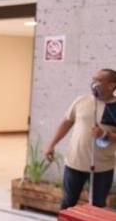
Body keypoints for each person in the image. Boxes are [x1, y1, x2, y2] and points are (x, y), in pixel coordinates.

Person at [44, 69, 116, 209]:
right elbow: (66, 122)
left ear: (111, 85)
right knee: (68, 202)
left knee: (96, 206)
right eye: (93, 79)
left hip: (102, 167)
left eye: (98, 80)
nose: (93, 83)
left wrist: (105, 135)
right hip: (75, 163)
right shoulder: (82, 100)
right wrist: (51, 144)